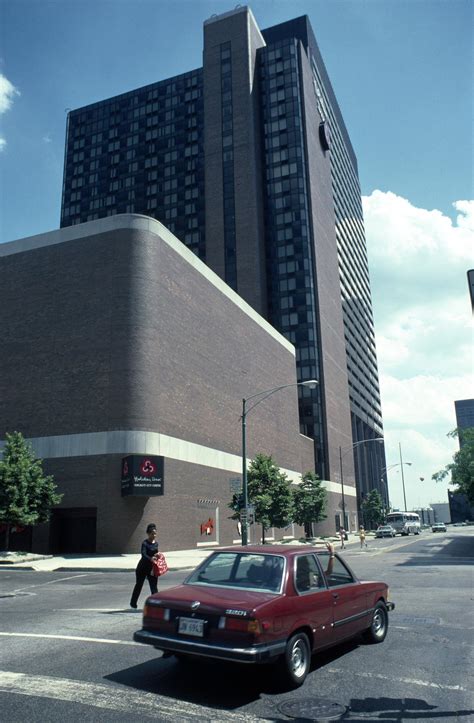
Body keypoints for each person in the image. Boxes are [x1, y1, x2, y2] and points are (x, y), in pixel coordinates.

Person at [130, 523, 159, 609]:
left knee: (154, 587)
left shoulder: (156, 544)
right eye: (152, 533)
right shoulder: (145, 543)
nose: (154, 535)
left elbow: (156, 554)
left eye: (155, 533)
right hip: (142, 568)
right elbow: (143, 554)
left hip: (152, 569)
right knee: (139, 585)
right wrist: (151, 559)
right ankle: (133, 603)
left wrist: (158, 557)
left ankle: (156, 605)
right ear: (148, 534)